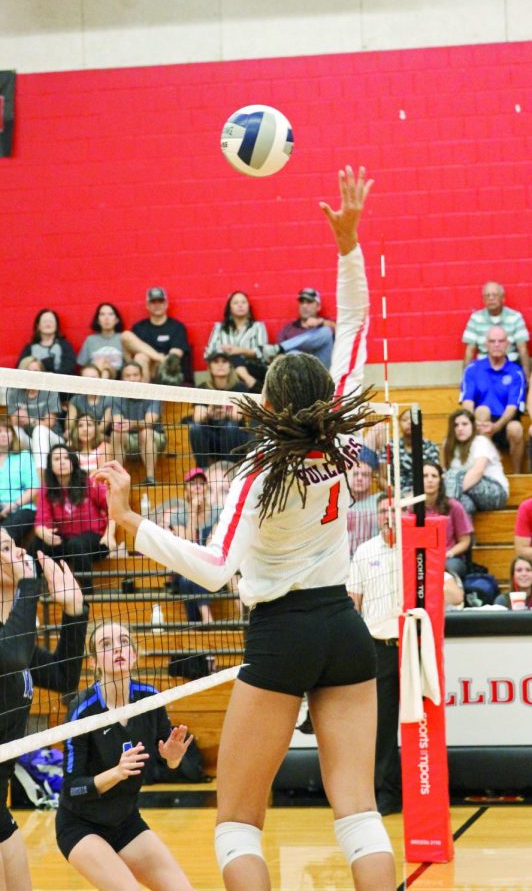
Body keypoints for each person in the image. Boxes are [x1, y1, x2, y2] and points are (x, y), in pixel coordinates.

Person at [96, 165, 396, 891]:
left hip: (283, 633)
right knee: (357, 814)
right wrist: (349, 245)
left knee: (237, 825)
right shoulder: (341, 436)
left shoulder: (260, 472)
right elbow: (352, 327)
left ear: (268, 403)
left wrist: (132, 520)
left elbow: (213, 567)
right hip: (342, 627)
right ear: (323, 402)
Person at [56, 620, 193, 891]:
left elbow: (171, 761)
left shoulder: (150, 698)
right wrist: (116, 773)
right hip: (81, 826)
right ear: (94, 662)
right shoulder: (82, 710)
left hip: (127, 822)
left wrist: (173, 757)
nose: (118, 648)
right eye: (106, 645)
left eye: (124, 641)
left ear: (134, 654)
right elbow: (73, 788)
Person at [0, 529, 88, 891]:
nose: (19, 551)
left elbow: (64, 675)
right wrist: (31, 583)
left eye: (14, 544)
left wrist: (74, 611)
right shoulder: (13, 644)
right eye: (5, 547)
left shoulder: (17, 637)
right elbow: (10, 657)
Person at [347, 493, 401, 818]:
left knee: (419, 722)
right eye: (383, 510)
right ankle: (388, 794)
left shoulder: (415, 548)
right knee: (381, 727)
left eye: (393, 510)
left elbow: (450, 591)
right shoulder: (365, 552)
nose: (387, 515)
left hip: (412, 646)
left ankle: (424, 790)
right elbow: (353, 601)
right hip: (378, 648)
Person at [31, 445, 115, 591]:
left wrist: (109, 534)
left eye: (66, 458)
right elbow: (40, 522)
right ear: (50, 465)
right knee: (37, 545)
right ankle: (33, 594)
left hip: (96, 541)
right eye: (57, 459)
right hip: (66, 543)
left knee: (77, 544)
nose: (62, 462)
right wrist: (43, 533)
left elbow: (113, 508)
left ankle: (87, 595)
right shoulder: (46, 489)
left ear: (73, 462)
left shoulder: (89, 482)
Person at [461, 325, 526, 472]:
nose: (496, 344)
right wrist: (477, 424)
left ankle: (517, 475)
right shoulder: (472, 369)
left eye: (501, 341)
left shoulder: (516, 372)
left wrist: (496, 426)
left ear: (507, 344)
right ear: (486, 344)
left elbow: (512, 407)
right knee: (482, 411)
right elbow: (467, 402)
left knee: (516, 428)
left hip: (505, 423)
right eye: (492, 341)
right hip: (479, 424)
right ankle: (487, 473)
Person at [157, 467, 216, 624]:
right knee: (185, 579)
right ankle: (205, 619)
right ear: (186, 491)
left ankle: (197, 624)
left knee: (188, 579)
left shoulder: (217, 512)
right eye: (193, 483)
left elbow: (212, 547)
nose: (197, 487)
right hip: (186, 567)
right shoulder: (178, 515)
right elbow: (187, 544)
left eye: (201, 484)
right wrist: (193, 513)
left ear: (206, 489)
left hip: (210, 567)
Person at [442, 408, 508, 515]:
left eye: (464, 424)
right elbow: (444, 473)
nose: (460, 428)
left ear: (473, 426)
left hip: (495, 492)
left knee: (454, 475)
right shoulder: (447, 445)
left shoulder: (480, 442)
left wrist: (451, 494)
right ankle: (467, 532)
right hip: (465, 491)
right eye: (456, 425)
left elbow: (477, 472)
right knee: (464, 504)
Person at [189, 352, 249, 469]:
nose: (220, 365)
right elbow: (197, 417)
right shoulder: (203, 387)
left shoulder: (239, 387)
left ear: (230, 366)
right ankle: (203, 469)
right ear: (210, 367)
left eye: (224, 361)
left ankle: (230, 469)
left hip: (235, 436)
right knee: (195, 428)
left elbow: (237, 417)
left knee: (230, 426)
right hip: (212, 436)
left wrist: (224, 411)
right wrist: (210, 411)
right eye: (216, 362)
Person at [109, 360, 166, 485]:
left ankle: (150, 478)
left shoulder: (152, 393)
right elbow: (118, 421)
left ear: (141, 377)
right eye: (128, 376)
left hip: (154, 438)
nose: (132, 379)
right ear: (122, 379)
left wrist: (132, 424)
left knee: (146, 432)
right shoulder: (116, 396)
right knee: (116, 433)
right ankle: (118, 478)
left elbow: (149, 422)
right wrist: (123, 424)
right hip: (128, 438)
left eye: (135, 375)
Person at [77, 302, 165, 382]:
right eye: (102, 314)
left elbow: (131, 362)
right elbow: (82, 367)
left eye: (110, 314)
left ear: (116, 319)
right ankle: (100, 396)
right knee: (102, 365)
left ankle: (162, 360)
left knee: (129, 340)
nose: (106, 318)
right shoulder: (91, 340)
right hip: (97, 376)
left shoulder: (122, 338)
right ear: (98, 320)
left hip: (121, 376)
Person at [6, 357, 64, 478]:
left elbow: (50, 423)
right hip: (30, 441)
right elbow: (12, 424)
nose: (33, 374)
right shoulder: (14, 392)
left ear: (42, 374)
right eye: (29, 370)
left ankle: (40, 478)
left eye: (36, 371)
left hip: (53, 440)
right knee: (14, 432)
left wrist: (30, 420)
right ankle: (15, 474)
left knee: (39, 430)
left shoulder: (50, 391)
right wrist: (17, 418)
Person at [462, 281, 530, 376]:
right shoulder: (475, 319)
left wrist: (527, 379)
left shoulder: (515, 317)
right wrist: (465, 378)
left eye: (495, 295)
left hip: (510, 366)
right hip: (484, 368)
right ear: (483, 300)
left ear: (503, 298)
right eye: (487, 295)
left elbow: (523, 349)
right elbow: (469, 351)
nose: (491, 298)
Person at [205, 291, 269, 391]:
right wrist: (223, 350)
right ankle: (252, 383)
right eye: (236, 303)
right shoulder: (219, 328)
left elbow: (263, 352)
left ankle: (246, 378)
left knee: (235, 358)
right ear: (229, 308)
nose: (240, 305)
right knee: (231, 361)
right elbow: (208, 353)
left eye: (243, 302)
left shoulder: (258, 327)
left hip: (253, 368)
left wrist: (239, 350)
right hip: (226, 369)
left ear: (248, 306)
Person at [422, 461, 473, 579]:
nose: (430, 480)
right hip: (422, 558)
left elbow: (465, 541)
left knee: (444, 569)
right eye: (425, 476)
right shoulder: (412, 508)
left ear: (440, 481)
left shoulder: (454, 506)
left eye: (434, 476)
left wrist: (448, 554)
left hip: (449, 558)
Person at [131, 286, 192, 384]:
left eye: (160, 301)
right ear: (147, 305)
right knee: (140, 357)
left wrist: (159, 361)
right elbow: (132, 355)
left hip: (168, 370)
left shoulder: (177, 327)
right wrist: (157, 357)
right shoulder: (138, 328)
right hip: (146, 369)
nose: (157, 305)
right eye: (153, 302)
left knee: (168, 360)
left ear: (166, 304)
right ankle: (143, 397)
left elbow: (175, 356)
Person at [271, 287, 336, 369]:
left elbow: (343, 333)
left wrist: (321, 322)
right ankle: (282, 348)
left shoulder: (326, 324)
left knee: (326, 331)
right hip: (298, 374)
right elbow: (277, 357)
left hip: (322, 370)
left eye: (309, 302)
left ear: (318, 306)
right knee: (293, 354)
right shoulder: (288, 330)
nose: (304, 306)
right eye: (302, 302)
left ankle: (282, 346)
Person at [378, 408, 439, 493]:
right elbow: (382, 479)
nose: (409, 422)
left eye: (412, 419)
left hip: (423, 496)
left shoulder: (431, 447)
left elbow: (435, 476)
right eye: (405, 419)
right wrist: (398, 496)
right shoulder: (389, 446)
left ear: (421, 423)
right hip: (396, 497)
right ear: (399, 424)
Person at [0, 418, 39, 547]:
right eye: (0, 431)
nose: (4, 434)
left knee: (3, 535)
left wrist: (14, 505)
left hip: (21, 508)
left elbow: (33, 488)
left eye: (8, 431)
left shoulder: (24, 456)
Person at [16, 309, 76, 376]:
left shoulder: (64, 345)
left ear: (57, 325)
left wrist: (51, 376)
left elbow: (69, 367)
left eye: (51, 321)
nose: (48, 324)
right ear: (38, 326)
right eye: (45, 321)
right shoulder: (29, 348)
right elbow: (20, 367)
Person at [66, 363, 113, 440]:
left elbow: (102, 427)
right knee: (68, 434)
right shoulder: (75, 400)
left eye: (93, 378)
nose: (91, 381)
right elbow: (70, 424)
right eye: (86, 379)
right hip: (80, 436)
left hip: (100, 437)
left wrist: (86, 430)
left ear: (100, 379)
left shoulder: (108, 399)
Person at [346, 459, 381, 557]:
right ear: (348, 478)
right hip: (344, 562)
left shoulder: (380, 501)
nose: (360, 478)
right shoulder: (339, 502)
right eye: (355, 474)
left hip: (373, 559)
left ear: (371, 480)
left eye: (365, 475)